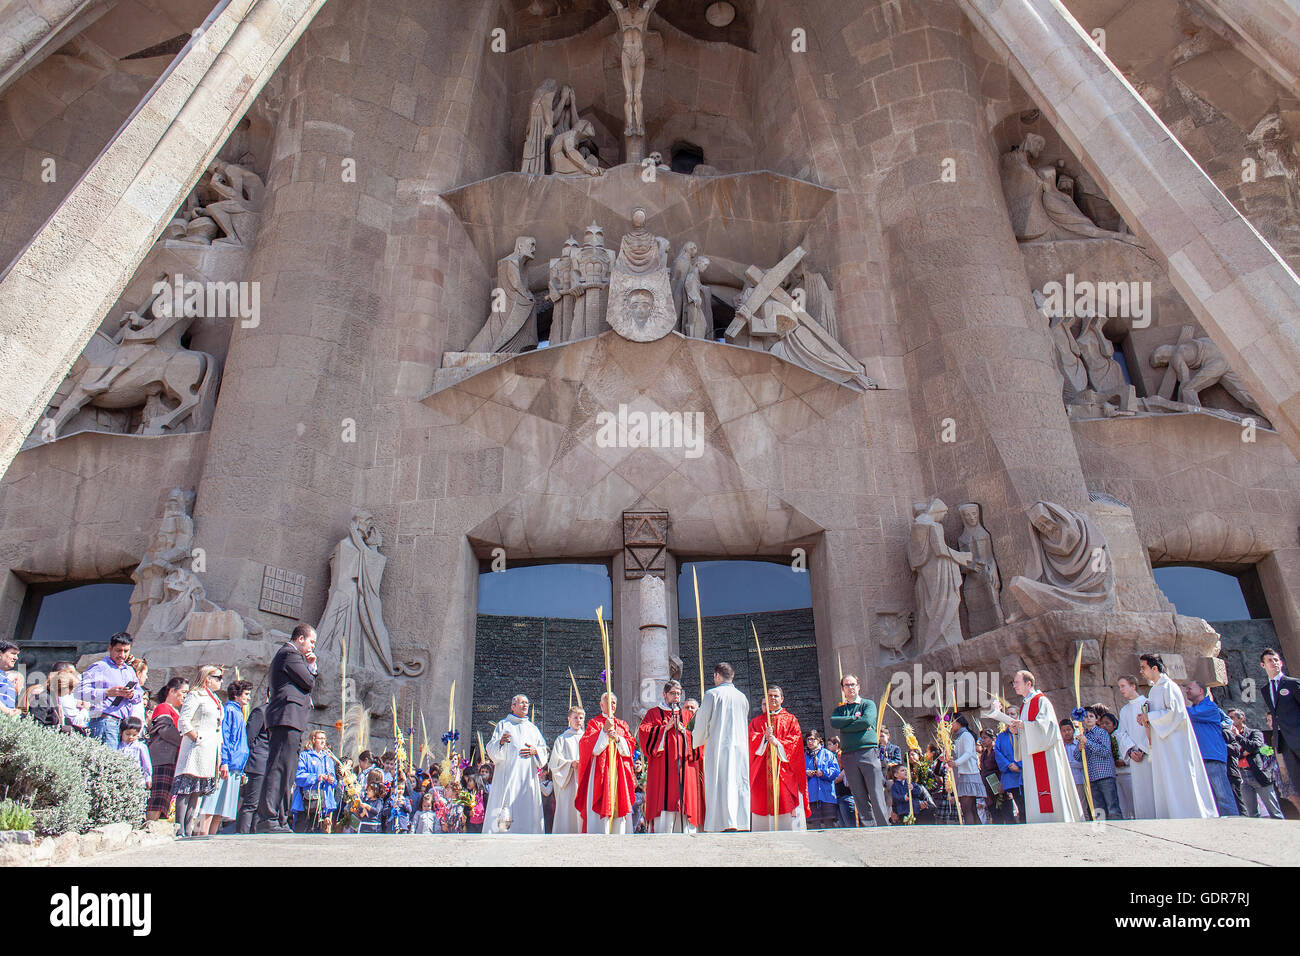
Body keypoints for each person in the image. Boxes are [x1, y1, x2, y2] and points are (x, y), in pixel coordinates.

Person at [1135, 654, 1217, 819]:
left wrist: (1150, 717)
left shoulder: (1169, 687)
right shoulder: (1154, 690)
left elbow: (1175, 713)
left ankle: (1187, 812)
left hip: (1174, 742)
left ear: (1155, 668)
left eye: (1143, 667)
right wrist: (1145, 717)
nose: (1141, 671)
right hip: (1161, 741)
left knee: (1178, 775)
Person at [256, 623, 317, 833]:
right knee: (279, 768)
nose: (312, 647)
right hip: (286, 717)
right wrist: (311, 667)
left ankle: (280, 817)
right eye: (311, 641)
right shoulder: (289, 654)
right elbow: (308, 682)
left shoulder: (292, 656)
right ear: (300, 638)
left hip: (292, 718)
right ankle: (269, 817)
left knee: (287, 770)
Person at [1010, 669, 1083, 822]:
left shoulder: (1041, 701)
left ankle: (1056, 818)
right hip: (1032, 758)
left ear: (1028, 683)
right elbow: (1027, 728)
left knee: (1050, 789)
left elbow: (1047, 728)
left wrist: (1024, 726)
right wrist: (1017, 731)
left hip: (1045, 756)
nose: (1014, 686)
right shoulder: (1024, 705)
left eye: (1017, 682)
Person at [691, 662, 751, 831]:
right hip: (739, 748)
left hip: (719, 747)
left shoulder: (712, 694)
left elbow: (702, 723)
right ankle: (741, 821)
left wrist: (696, 739)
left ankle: (722, 822)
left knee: (721, 782)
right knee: (738, 782)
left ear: (717, 675)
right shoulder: (742, 697)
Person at [636, 679, 703, 833]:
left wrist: (683, 731)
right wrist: (664, 728)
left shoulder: (687, 715)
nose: (676, 697)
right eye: (672, 693)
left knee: (683, 805)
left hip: (684, 771)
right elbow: (644, 733)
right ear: (664, 694)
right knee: (664, 807)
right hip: (662, 772)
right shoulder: (653, 713)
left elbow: (699, 741)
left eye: (678, 694)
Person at [830, 674, 890, 826]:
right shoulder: (840, 709)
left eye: (853, 684)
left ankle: (883, 825)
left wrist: (847, 725)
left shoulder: (868, 704)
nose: (850, 688)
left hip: (867, 752)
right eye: (847, 685)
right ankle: (869, 826)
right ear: (842, 689)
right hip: (849, 755)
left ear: (858, 686)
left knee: (876, 792)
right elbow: (834, 722)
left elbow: (867, 721)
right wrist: (855, 719)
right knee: (858, 794)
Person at [173, 665, 226, 837]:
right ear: (207, 678)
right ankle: (179, 828)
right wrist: (196, 737)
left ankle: (188, 829)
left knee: (197, 791)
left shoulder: (215, 699)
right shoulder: (196, 695)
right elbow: (184, 720)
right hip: (196, 747)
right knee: (186, 789)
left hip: (209, 749)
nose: (221, 681)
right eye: (217, 677)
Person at [484, 693, 548, 834]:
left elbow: (544, 750)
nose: (525, 705)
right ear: (513, 706)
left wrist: (535, 751)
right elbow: (491, 748)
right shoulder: (503, 725)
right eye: (521, 703)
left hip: (527, 778)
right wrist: (500, 742)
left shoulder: (532, 728)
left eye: (527, 703)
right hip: (508, 776)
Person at [576, 691, 636, 833]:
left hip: (618, 772)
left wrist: (618, 739)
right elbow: (588, 747)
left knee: (619, 802)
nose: (612, 705)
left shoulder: (622, 725)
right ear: (601, 705)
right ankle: (599, 832)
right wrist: (603, 732)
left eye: (614, 702)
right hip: (600, 772)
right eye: (608, 702)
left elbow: (630, 748)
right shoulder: (594, 723)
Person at [749, 685, 807, 830]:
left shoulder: (791, 720)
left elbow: (796, 742)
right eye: (769, 696)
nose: (772, 698)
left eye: (776, 696)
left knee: (783, 803)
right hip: (762, 772)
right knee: (762, 806)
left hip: (783, 772)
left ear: (782, 699)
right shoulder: (757, 722)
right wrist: (763, 737)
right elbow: (749, 741)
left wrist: (777, 743)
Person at [199, 678, 252, 834]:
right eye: (246, 694)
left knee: (222, 806)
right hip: (228, 763)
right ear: (237, 695)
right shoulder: (229, 710)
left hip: (236, 764)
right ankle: (202, 833)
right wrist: (224, 761)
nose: (248, 698)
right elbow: (225, 736)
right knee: (213, 801)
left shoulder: (238, 712)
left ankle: (212, 834)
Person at [1184, 680, 1238, 817]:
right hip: (1200, 756)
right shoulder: (1198, 707)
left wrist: (1173, 703)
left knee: (1222, 794)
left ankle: (1233, 821)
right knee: (1208, 795)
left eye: (1190, 688)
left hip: (1212, 755)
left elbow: (1188, 713)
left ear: (1201, 691)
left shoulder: (1209, 707)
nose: (1187, 690)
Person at [78, 633, 142, 748]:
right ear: (110, 648)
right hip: (104, 721)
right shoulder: (100, 667)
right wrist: (107, 693)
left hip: (123, 725)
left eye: (126, 651)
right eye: (118, 650)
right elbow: (81, 691)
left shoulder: (129, 670)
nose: (122, 655)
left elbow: (139, 694)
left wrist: (131, 695)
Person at [1229, 708, 1283, 818]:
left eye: (1232, 718)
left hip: (1258, 773)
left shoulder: (1254, 732)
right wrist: (1244, 752)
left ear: (1242, 719)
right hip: (1242, 775)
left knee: (1274, 810)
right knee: (1251, 813)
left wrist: (1238, 737)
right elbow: (1230, 751)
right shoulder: (1228, 735)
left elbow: (1255, 746)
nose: (1230, 721)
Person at [1260, 648, 1300, 792]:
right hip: (1284, 741)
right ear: (1263, 665)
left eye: (1276, 660)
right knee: (1296, 780)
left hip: (1298, 736)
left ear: (1281, 663)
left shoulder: (1292, 683)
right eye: (1269, 660)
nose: (1274, 663)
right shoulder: (1265, 689)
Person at [146, 676, 186, 820]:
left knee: (165, 799)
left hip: (172, 759)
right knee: (158, 797)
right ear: (172, 691)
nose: (185, 696)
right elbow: (165, 730)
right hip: (162, 758)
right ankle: (150, 825)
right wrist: (186, 740)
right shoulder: (163, 707)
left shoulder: (176, 711)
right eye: (184, 692)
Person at [1114, 675, 1154, 819]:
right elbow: (1121, 733)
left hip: (1148, 754)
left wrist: (1142, 749)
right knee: (1140, 792)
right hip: (1134, 757)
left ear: (1133, 686)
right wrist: (1130, 750)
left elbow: (1152, 728)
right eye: (1119, 687)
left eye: (1123, 686)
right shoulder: (1124, 710)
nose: (1121, 690)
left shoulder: (1147, 703)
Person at [1078, 706, 1122, 820]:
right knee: (1098, 809)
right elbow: (1077, 757)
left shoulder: (1102, 733)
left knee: (1112, 806)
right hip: (1091, 777)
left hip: (1105, 775)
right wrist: (1079, 747)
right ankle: (1101, 832)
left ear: (1096, 719)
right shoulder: (1083, 735)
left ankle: (1118, 831)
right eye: (1085, 717)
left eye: (1091, 716)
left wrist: (1087, 743)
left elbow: (1105, 751)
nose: (1088, 719)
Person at [236, 693, 270, 834]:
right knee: (251, 803)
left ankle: (255, 835)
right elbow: (249, 737)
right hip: (258, 762)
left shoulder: (279, 713)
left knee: (262, 805)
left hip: (269, 764)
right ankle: (242, 834)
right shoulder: (261, 712)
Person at [291, 729, 337, 832]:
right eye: (320, 738)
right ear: (313, 740)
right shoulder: (305, 756)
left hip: (322, 802)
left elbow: (334, 782)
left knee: (317, 831)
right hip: (306, 801)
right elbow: (298, 776)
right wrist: (317, 777)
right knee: (302, 829)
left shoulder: (328, 759)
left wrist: (331, 779)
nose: (323, 741)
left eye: (324, 739)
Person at [549, 706, 585, 833]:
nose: (578, 721)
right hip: (567, 780)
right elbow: (554, 762)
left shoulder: (586, 738)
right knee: (567, 808)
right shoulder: (562, 739)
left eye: (581, 718)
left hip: (582, 780)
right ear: (569, 719)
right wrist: (570, 764)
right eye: (575, 718)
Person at [949, 714, 982, 823]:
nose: (949, 726)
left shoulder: (966, 735)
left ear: (958, 722)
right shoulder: (960, 736)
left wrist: (955, 763)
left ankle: (971, 831)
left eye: (951, 723)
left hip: (969, 773)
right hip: (965, 773)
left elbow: (968, 753)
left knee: (967, 808)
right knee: (970, 808)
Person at [993, 706, 1023, 824]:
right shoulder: (1001, 736)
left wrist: (1020, 765)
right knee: (1015, 804)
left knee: (1024, 805)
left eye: (1013, 714)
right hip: (1010, 776)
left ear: (1018, 716)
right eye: (1008, 714)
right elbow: (998, 752)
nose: (1010, 717)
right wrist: (1009, 765)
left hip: (1023, 774)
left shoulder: (1023, 733)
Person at [804, 730, 839, 829]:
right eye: (808, 740)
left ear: (818, 740)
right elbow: (799, 773)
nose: (810, 742)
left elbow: (835, 771)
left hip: (827, 795)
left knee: (829, 823)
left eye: (813, 739)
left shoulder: (828, 754)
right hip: (812, 796)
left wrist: (824, 773)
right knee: (814, 824)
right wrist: (806, 773)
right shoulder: (804, 756)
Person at [1060, 719, 1088, 816]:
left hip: (1078, 780)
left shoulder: (1078, 745)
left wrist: (1067, 764)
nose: (1066, 733)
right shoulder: (1060, 747)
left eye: (1069, 730)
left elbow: (1082, 763)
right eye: (1064, 731)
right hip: (1065, 781)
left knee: (1082, 806)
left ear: (1073, 730)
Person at [118, 716, 152, 791]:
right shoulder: (118, 746)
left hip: (137, 779)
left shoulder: (140, 747)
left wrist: (148, 778)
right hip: (120, 778)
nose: (130, 737)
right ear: (121, 732)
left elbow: (146, 764)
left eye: (134, 735)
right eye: (127, 734)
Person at [827, 735, 856, 827]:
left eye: (830, 744)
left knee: (849, 824)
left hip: (846, 793)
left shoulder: (843, 755)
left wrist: (839, 776)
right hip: (837, 794)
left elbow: (846, 768)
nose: (828, 747)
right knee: (842, 824)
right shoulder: (830, 756)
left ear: (837, 745)